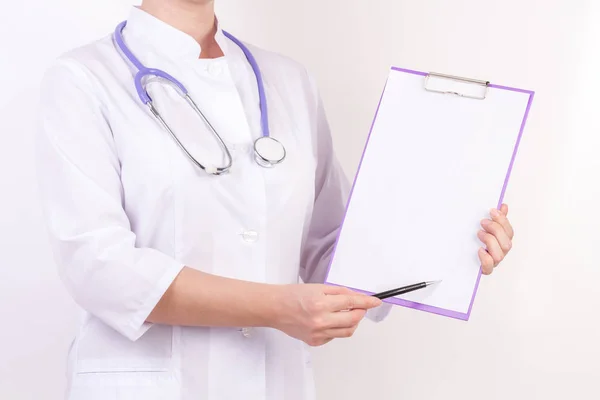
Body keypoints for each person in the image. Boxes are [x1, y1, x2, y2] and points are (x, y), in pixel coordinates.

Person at [35, 1, 515, 399]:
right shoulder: (82, 79)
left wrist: (454, 245)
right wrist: (277, 308)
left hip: (274, 382)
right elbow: (99, 267)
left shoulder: (288, 79)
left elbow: (334, 248)